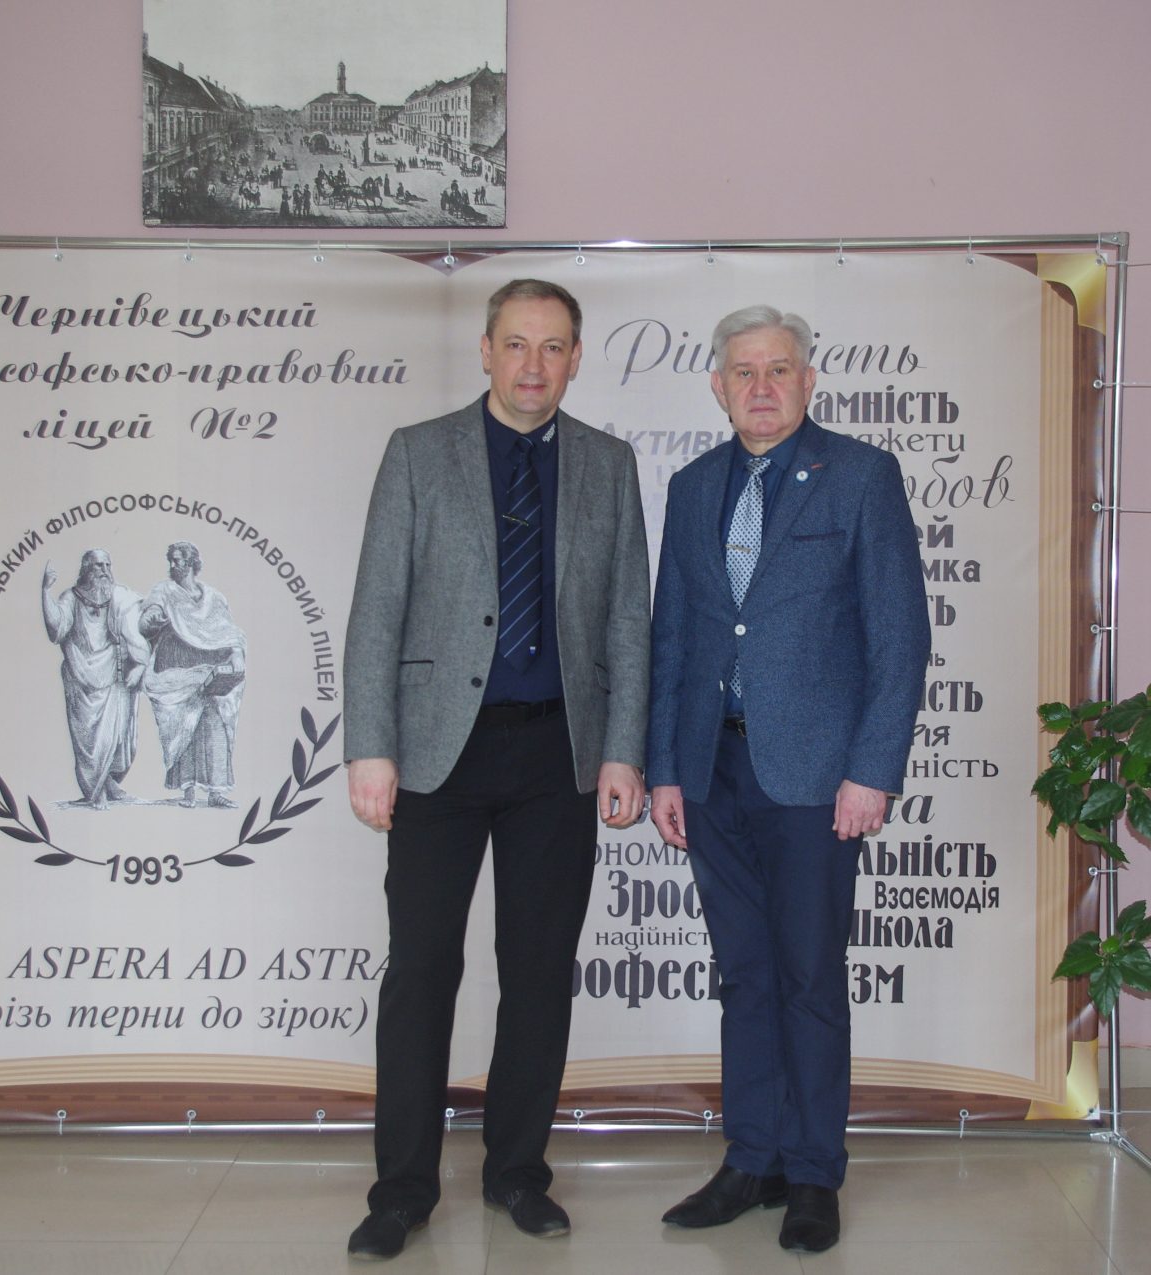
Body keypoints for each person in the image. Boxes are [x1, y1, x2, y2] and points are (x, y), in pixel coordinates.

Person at [343, 278, 651, 1260]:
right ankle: (402, 1188)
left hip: (558, 753)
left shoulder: (608, 464)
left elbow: (628, 620)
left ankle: (519, 1171)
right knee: (421, 970)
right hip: (438, 752)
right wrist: (370, 745)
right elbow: (377, 608)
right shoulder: (418, 452)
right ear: (485, 350)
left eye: (553, 347)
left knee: (540, 974)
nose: (533, 365)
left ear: (576, 358)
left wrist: (624, 749)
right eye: (516, 344)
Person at [645, 305, 929, 1253]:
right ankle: (752, 1156)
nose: (761, 387)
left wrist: (871, 771)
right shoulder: (692, 486)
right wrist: (665, 768)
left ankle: (812, 1171)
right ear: (717, 386)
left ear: (808, 381)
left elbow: (899, 637)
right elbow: (674, 636)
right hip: (711, 769)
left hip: (815, 778)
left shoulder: (860, 476)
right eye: (743, 371)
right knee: (745, 974)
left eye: (778, 370)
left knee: (808, 975)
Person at [140, 541, 247, 809]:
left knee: (215, 729)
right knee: (183, 729)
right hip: (177, 670)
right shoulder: (164, 591)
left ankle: (216, 792)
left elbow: (229, 632)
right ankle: (188, 792)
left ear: (191, 563)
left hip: (209, 671)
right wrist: (151, 620)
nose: (173, 565)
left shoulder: (214, 598)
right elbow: (147, 619)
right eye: (171, 560)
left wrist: (236, 654)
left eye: (178, 560)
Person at [39, 549, 148, 809]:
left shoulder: (119, 597)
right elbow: (56, 629)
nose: (104, 570)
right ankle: (95, 791)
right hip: (81, 678)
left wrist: (140, 663)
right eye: (98, 565)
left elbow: (138, 626)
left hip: (114, 675)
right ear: (86, 568)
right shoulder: (71, 597)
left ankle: (108, 783)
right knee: (90, 741)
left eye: (107, 565)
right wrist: (45, 591)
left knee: (116, 736)